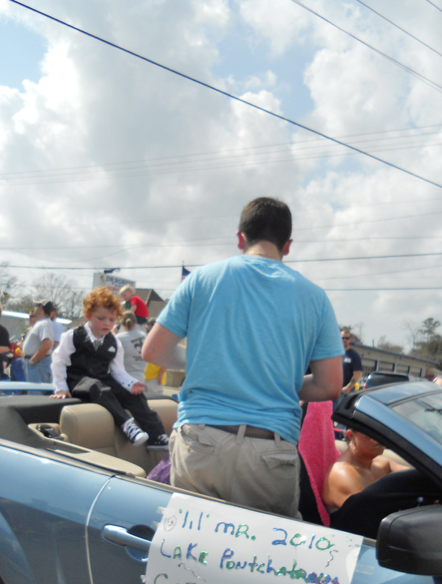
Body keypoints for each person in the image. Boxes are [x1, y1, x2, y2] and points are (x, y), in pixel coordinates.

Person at [142, 196, 343, 517]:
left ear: (240, 238)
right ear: (287, 246)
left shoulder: (202, 279)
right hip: (270, 453)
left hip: (200, 442)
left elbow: (153, 351)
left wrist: (201, 364)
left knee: (188, 558)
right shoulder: (315, 298)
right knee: (261, 563)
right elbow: (330, 385)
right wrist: (277, 383)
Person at [51, 287, 169, 449]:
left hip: (101, 379)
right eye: (101, 318)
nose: (107, 323)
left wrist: (131, 384)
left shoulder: (114, 342)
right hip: (78, 380)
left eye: (112, 320)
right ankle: (127, 425)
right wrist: (61, 388)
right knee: (97, 387)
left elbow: (118, 370)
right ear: (88, 316)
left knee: (135, 395)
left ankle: (156, 434)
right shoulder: (73, 336)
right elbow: (59, 361)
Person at [323, 428, 442, 538]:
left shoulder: (379, 463)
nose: (377, 436)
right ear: (350, 435)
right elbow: (367, 521)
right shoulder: (344, 474)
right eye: (369, 431)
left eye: (379, 430)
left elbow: (417, 479)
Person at [22, 301, 55, 383]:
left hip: (39, 364)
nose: (34, 308)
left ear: (41, 307)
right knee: (34, 393)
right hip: (37, 364)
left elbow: (47, 344)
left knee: (37, 394)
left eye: (36, 306)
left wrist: (33, 360)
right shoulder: (41, 323)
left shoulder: (45, 323)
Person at [116, 311, 146, 383]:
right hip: (141, 377)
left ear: (121, 323)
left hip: (124, 378)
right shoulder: (144, 336)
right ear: (136, 321)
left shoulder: (119, 338)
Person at [339, 330, 362, 402]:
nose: (344, 340)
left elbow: (357, 374)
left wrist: (347, 388)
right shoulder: (335, 354)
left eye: (347, 338)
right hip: (332, 391)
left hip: (344, 393)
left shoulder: (354, 355)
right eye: (342, 338)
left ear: (350, 340)